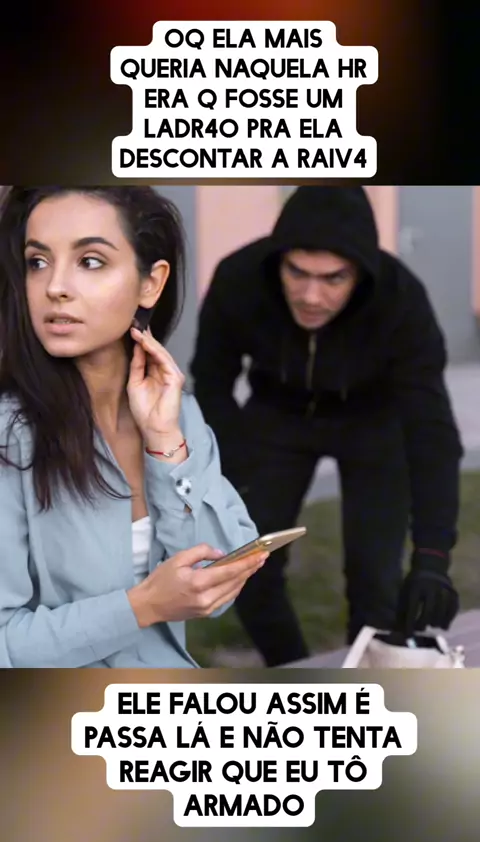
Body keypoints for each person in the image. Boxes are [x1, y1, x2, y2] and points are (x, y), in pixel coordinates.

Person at [190, 185, 463, 667]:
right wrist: (235, 468)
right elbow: (211, 382)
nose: (311, 296)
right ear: (278, 259)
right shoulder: (239, 278)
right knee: (244, 561)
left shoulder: (401, 299)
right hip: (278, 410)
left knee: (375, 579)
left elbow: (431, 431)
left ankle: (364, 684)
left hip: (372, 418)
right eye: (297, 272)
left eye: (334, 278)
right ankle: (295, 673)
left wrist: (433, 557)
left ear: (361, 271)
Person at [0, 185, 267, 669]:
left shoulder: (177, 414)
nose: (55, 286)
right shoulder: (9, 435)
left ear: (151, 283)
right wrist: (143, 607)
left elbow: (216, 584)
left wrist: (165, 443)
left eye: (90, 261)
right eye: (37, 262)